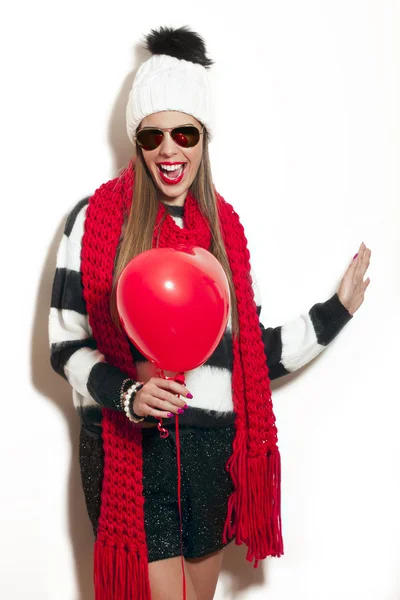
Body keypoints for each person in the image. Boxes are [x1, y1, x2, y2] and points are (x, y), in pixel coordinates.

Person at [48, 25, 371, 600]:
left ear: (203, 138)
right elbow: (66, 345)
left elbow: (249, 357)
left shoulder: (226, 232)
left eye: (184, 132)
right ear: (138, 142)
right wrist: (127, 392)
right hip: (130, 449)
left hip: (210, 454)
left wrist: (335, 312)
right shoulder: (93, 219)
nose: (170, 150)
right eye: (153, 137)